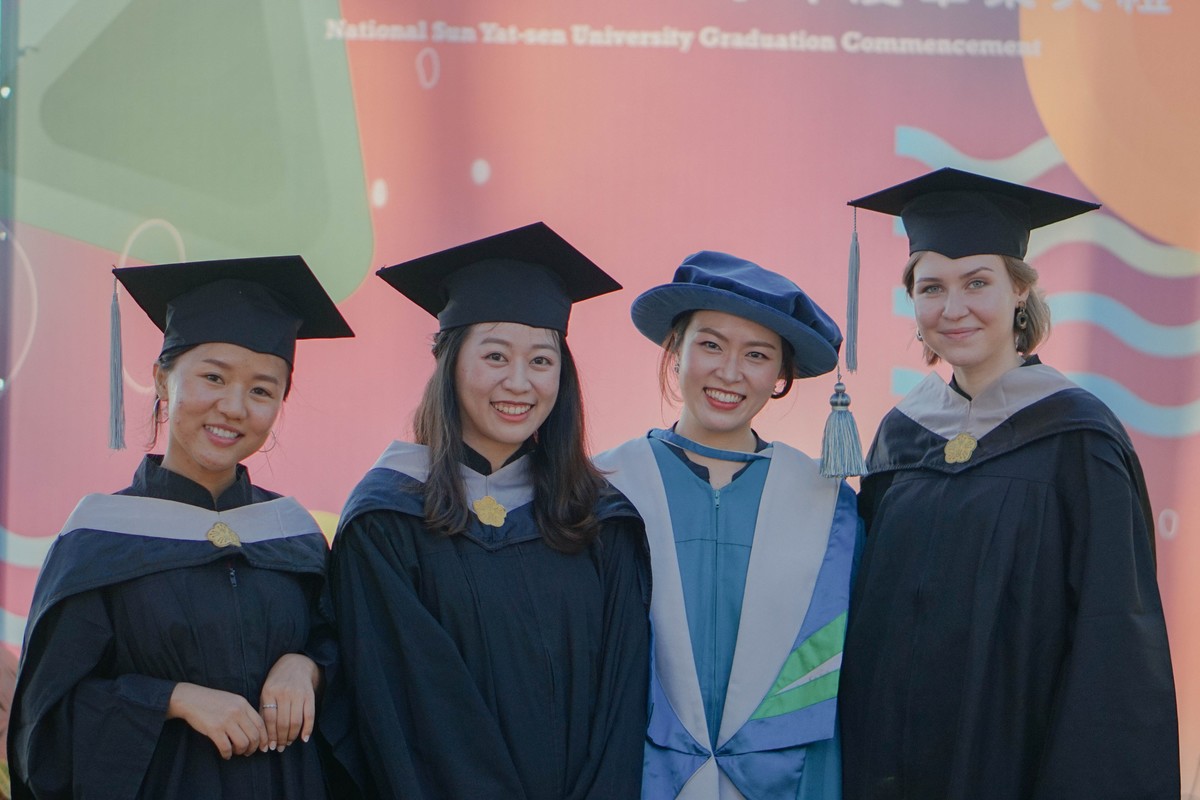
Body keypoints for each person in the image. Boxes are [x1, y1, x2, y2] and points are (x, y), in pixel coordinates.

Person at [840, 168, 1179, 799]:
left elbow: (1113, 635)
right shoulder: (900, 437)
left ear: (1020, 291)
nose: (953, 307)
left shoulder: (1077, 439)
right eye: (931, 286)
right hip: (887, 760)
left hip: (1022, 761)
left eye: (978, 282)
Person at [321, 222, 651, 799]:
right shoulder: (389, 520)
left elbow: (623, 704)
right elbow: (410, 715)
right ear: (449, 363)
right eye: (495, 355)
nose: (519, 383)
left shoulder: (601, 521)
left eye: (542, 361)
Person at [7, 256, 354, 799]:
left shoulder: (294, 536)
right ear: (162, 379)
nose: (234, 407)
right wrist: (173, 698)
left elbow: (355, 665)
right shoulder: (100, 540)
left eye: (262, 390)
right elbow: (48, 721)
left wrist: (307, 666)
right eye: (213, 377)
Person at [594, 252, 860, 799]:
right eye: (710, 345)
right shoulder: (605, 488)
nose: (730, 372)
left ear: (781, 375)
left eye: (757, 355)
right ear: (676, 351)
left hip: (787, 780)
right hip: (634, 774)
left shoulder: (825, 504)